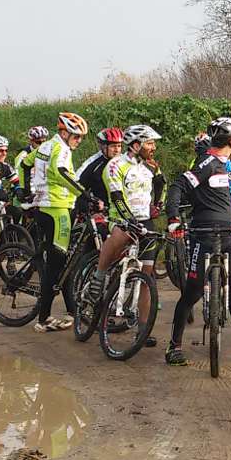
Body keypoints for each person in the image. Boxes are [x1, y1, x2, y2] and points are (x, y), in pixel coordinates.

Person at [164, 118, 231, 365]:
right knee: (192, 292)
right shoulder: (207, 163)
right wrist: (173, 218)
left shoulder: (228, 166)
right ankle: (173, 346)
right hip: (204, 235)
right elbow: (177, 186)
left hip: (227, 234)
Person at [86, 124, 164, 347]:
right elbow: (117, 196)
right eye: (150, 143)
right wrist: (128, 218)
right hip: (120, 218)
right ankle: (99, 276)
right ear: (137, 144)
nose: (153, 147)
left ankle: (143, 329)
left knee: (147, 278)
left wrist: (157, 205)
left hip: (145, 221)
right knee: (121, 234)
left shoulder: (151, 167)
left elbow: (162, 185)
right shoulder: (115, 165)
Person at [18, 112, 90, 332]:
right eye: (76, 136)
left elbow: (23, 165)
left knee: (61, 261)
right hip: (57, 209)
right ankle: (43, 318)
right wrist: (83, 193)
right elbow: (60, 173)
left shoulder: (45, 146)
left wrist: (24, 189)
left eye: (81, 138)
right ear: (64, 132)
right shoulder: (61, 148)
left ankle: (70, 310)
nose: (79, 141)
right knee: (57, 265)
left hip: (44, 207)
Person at [76, 127, 125, 216]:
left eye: (119, 146)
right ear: (103, 146)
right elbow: (77, 187)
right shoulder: (93, 163)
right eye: (113, 146)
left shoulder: (125, 161)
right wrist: (92, 201)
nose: (117, 150)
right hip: (101, 211)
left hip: (122, 208)